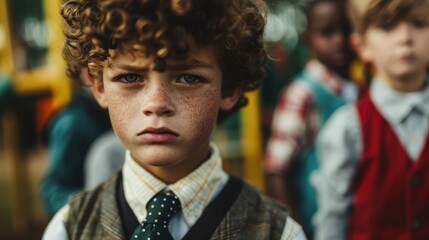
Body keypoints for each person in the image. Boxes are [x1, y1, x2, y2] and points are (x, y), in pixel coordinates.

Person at [43, 0, 306, 239]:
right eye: (130, 77)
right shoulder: (67, 228)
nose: (157, 104)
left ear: (229, 88)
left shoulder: (279, 232)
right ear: (99, 86)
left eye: (188, 78)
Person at [312, 0, 429, 239]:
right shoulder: (347, 128)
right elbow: (332, 221)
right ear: (362, 45)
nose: (405, 37)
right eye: (387, 26)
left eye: (419, 23)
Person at [264, 0, 358, 238]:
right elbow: (277, 171)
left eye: (347, 30)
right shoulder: (302, 94)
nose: (340, 40)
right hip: (316, 224)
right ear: (309, 39)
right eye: (327, 32)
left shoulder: (358, 92)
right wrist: (297, 231)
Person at [40, 72, 111, 216]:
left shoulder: (105, 114)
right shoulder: (72, 124)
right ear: (87, 76)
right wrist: (96, 207)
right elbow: (54, 192)